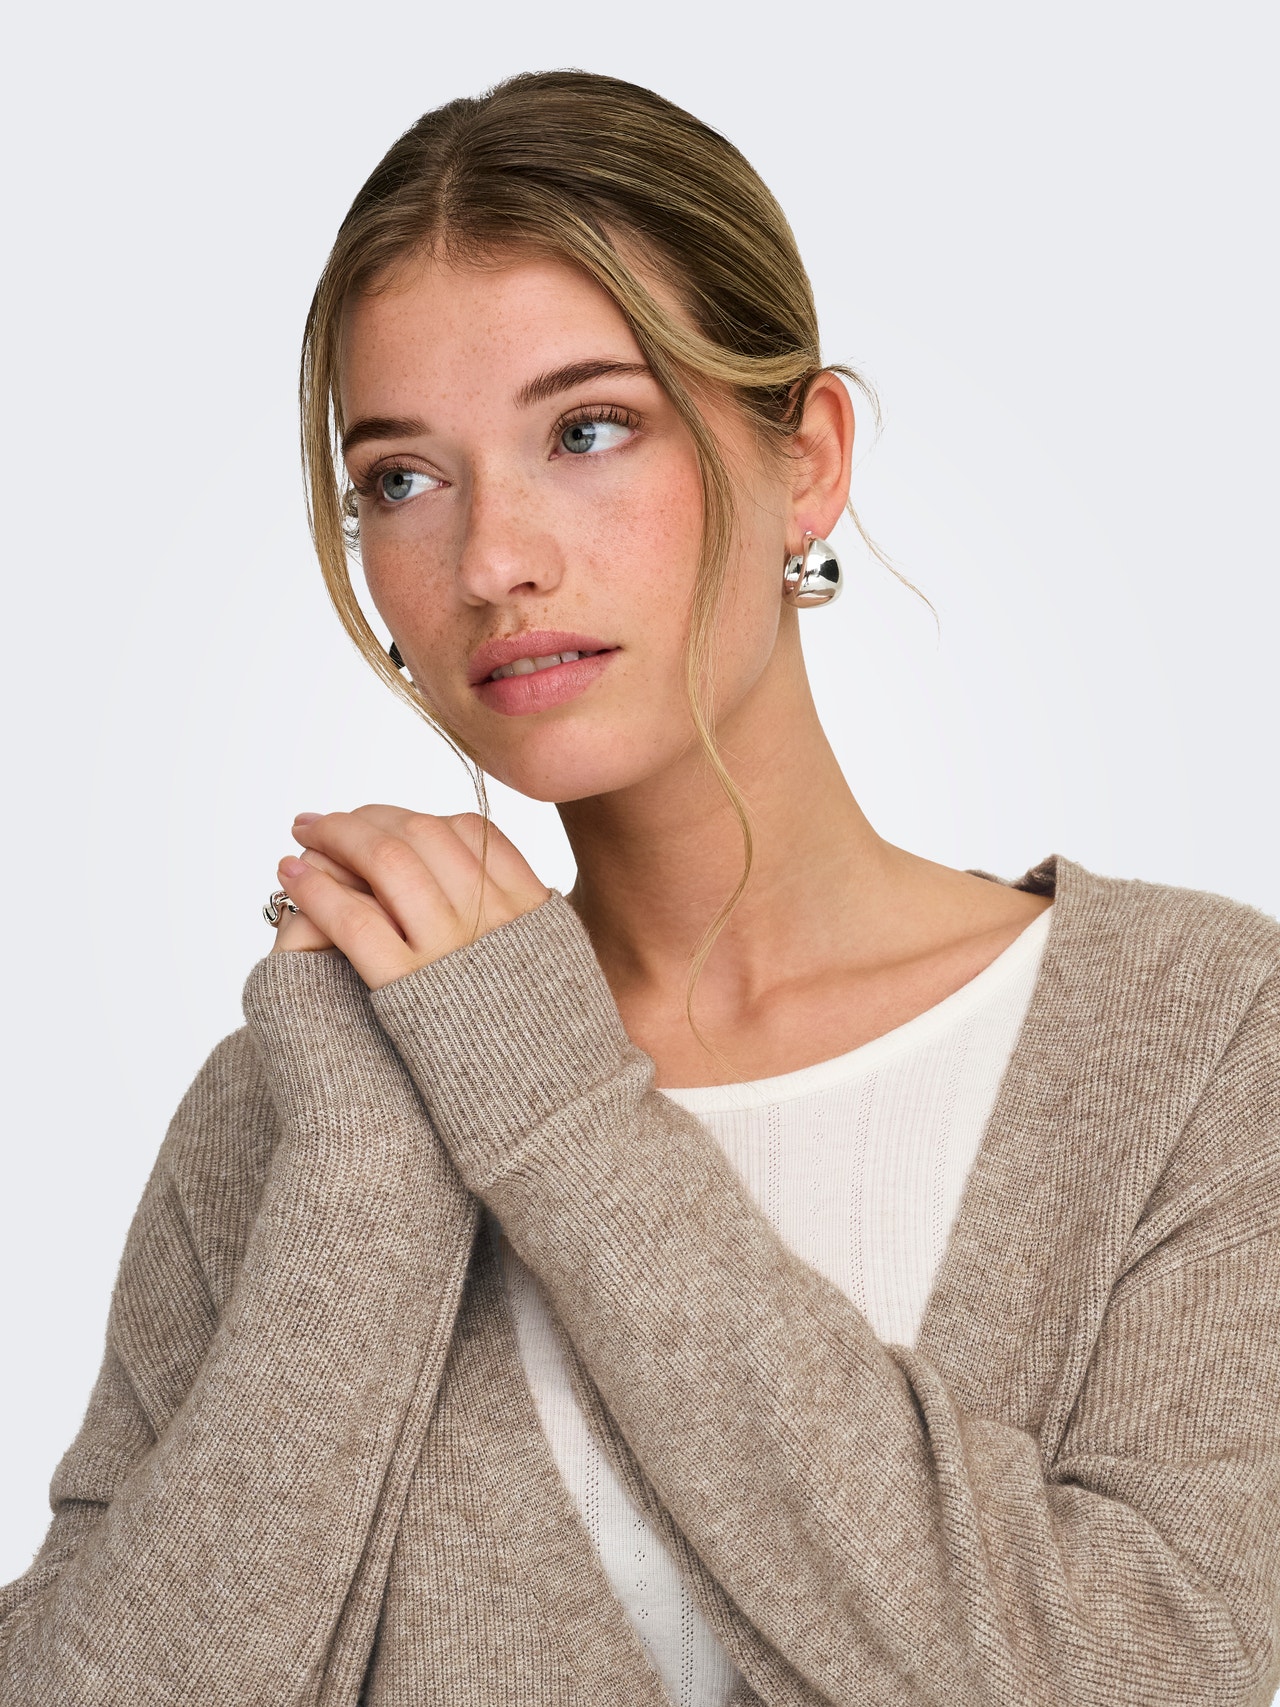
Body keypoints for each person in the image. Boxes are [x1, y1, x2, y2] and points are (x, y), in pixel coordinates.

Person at [2, 68, 1278, 1707]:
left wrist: (547, 1103)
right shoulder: (295, 1106)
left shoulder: (1198, 1039)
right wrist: (372, 1172)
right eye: (403, 479)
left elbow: (1150, 1673)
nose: (492, 561)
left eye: (587, 429)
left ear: (805, 459)